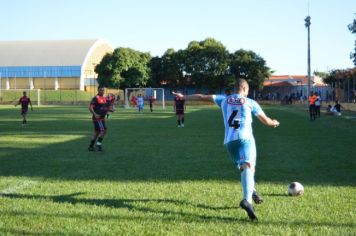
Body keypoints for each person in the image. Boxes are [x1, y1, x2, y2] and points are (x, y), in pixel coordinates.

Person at [172, 79, 280, 221]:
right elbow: (266, 121)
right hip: (245, 139)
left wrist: (184, 97)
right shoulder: (250, 102)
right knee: (248, 165)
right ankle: (247, 200)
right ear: (245, 89)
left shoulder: (224, 99)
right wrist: (274, 123)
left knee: (244, 168)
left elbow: (202, 97)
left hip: (229, 142)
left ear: (235, 88)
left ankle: (252, 190)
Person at [88, 86, 109, 152]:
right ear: (98, 90)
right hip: (98, 118)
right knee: (104, 130)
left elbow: (104, 107)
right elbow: (90, 107)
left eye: (103, 90)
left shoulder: (104, 98)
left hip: (102, 118)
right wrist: (95, 114)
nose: (102, 91)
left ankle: (91, 147)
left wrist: (107, 112)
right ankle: (98, 144)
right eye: (100, 90)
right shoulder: (95, 98)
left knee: (97, 132)